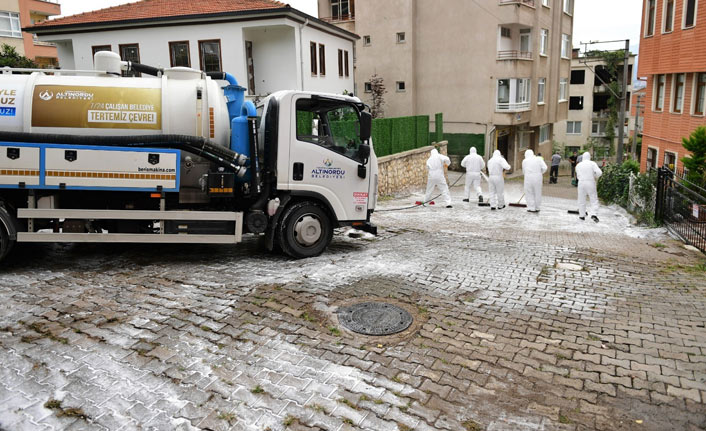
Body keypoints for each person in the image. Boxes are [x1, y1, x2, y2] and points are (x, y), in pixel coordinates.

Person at [575, 152, 602, 222]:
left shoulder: (578, 165)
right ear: (589, 157)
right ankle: (594, 214)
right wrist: (595, 176)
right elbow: (599, 173)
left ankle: (582, 215)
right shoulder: (592, 163)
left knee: (581, 199)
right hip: (590, 182)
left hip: (581, 183)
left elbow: (577, 175)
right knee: (593, 198)